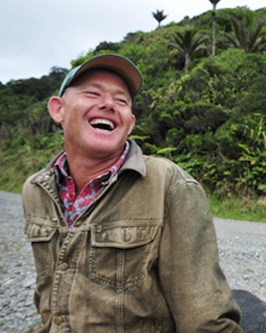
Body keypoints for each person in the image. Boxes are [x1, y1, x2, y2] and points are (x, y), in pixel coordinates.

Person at [22, 54, 243, 332]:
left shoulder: (169, 184)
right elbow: (47, 295)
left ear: (131, 121)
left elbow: (204, 317)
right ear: (58, 110)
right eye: (93, 93)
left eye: (121, 100)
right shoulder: (35, 189)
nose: (108, 104)